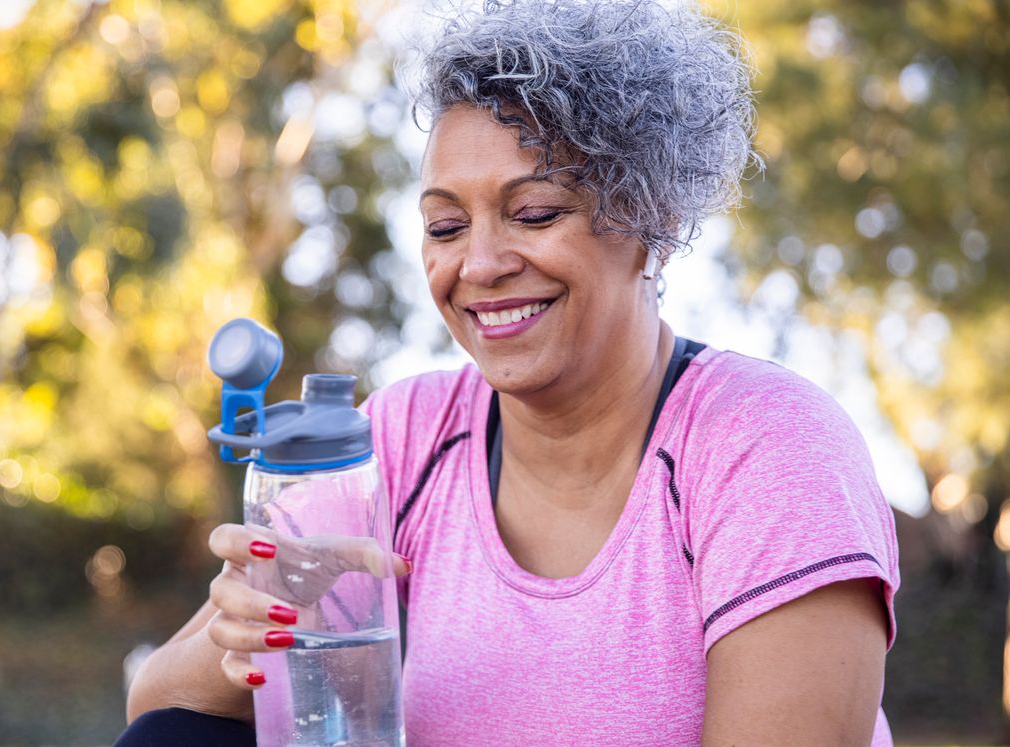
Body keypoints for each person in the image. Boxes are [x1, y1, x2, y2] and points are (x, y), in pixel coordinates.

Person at [118, 0, 900, 744]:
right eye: (446, 226)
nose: (481, 265)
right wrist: (247, 634)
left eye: (534, 214)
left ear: (651, 219)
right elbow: (159, 712)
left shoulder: (768, 447)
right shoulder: (402, 437)